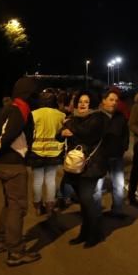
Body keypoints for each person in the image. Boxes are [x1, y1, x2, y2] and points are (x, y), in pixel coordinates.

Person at [0, 77, 40, 267]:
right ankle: (15, 252)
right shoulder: (20, 109)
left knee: (9, 204)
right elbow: (7, 135)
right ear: (29, 93)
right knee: (18, 207)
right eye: (35, 93)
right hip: (12, 164)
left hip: (2, 163)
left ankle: (0, 241)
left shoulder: (9, 107)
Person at [59, 90, 109, 247]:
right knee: (82, 202)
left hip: (91, 166)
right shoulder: (74, 118)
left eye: (86, 101)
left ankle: (95, 234)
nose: (82, 104)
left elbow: (88, 134)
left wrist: (69, 128)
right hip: (74, 166)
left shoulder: (98, 118)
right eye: (80, 101)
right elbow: (59, 134)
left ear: (92, 104)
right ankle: (84, 232)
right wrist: (64, 131)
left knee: (87, 200)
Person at [27, 91, 65, 215]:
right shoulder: (61, 115)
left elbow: (30, 134)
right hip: (54, 152)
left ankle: (38, 206)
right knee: (50, 179)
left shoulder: (33, 114)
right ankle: (50, 206)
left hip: (37, 151)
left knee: (37, 180)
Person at [96, 89, 130, 218]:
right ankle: (96, 211)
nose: (114, 103)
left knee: (119, 185)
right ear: (103, 101)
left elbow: (125, 134)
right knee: (97, 187)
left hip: (117, 156)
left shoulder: (120, 117)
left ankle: (117, 210)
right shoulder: (96, 116)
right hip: (100, 158)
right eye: (111, 100)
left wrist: (123, 147)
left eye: (116, 100)